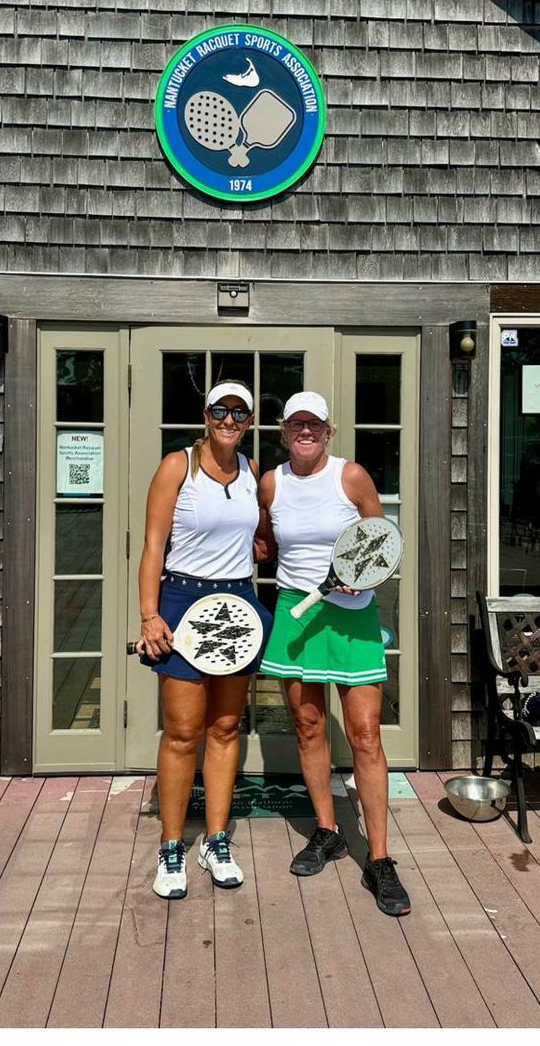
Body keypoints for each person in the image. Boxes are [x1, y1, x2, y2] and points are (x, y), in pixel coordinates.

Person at [254, 391, 411, 917]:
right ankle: (328, 831)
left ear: (329, 430)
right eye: (296, 424)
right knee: (307, 726)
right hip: (299, 611)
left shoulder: (352, 477)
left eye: (315, 425)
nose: (306, 431)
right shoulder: (271, 484)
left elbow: (385, 542)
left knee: (365, 734)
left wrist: (358, 581)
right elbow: (264, 545)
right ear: (283, 431)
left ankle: (382, 858)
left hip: (352, 615)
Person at [135, 381, 272, 899]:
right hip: (183, 601)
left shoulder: (253, 472)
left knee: (225, 726)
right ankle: (172, 844)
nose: (229, 420)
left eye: (240, 413)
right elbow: (152, 547)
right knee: (182, 732)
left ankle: (216, 838)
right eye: (221, 410)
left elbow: (257, 538)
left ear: (251, 422)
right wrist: (150, 615)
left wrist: (263, 546)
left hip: (238, 602)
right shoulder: (177, 466)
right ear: (206, 414)